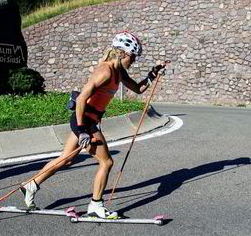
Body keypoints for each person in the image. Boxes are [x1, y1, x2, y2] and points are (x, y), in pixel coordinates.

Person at [20, 31, 166, 219]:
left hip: (87, 120)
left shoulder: (118, 72)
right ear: (122, 53)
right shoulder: (105, 71)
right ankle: (96, 206)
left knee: (66, 159)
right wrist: (82, 131)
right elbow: (81, 99)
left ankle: (30, 185)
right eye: (133, 56)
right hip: (85, 121)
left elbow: (138, 89)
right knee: (107, 162)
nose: (134, 61)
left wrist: (153, 73)